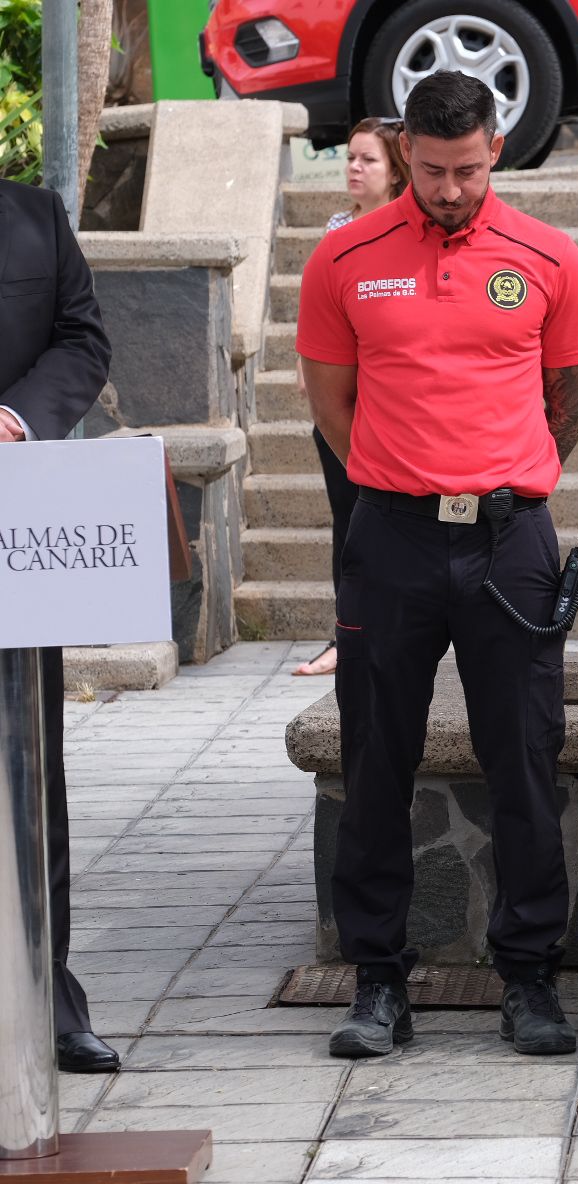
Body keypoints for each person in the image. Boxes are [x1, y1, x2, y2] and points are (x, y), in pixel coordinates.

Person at [296, 70, 578, 1059]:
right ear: (406, 156)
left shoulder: (550, 256)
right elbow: (331, 404)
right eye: (431, 172)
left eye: (467, 170)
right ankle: (378, 976)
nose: (450, 190)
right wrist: (401, 480)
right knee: (376, 754)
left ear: (495, 149)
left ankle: (527, 976)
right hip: (392, 534)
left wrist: (506, 479)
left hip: (510, 540)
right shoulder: (343, 257)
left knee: (522, 753)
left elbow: (572, 395)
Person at [0, 178, 120, 1074]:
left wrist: (18, 418)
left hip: (19, 544)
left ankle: (47, 996)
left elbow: (83, 337)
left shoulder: (35, 216)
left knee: (29, 778)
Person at [295, 118, 412, 677]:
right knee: (349, 518)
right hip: (339, 402)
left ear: (395, 172)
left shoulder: (411, 233)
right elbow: (321, 316)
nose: (354, 169)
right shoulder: (337, 230)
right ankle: (349, 632)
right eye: (349, 158)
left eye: (367, 159)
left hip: (391, 404)